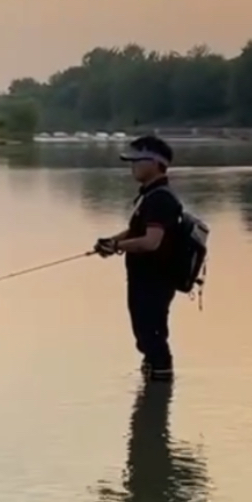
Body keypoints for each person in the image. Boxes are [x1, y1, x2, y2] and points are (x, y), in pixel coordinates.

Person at [94, 135, 182, 380]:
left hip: (155, 281)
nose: (132, 166)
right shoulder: (150, 195)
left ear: (155, 163)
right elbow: (138, 232)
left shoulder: (160, 198)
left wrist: (118, 246)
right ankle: (152, 385)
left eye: (137, 161)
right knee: (145, 335)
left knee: (152, 337)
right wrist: (112, 242)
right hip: (144, 280)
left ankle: (160, 389)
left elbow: (151, 242)